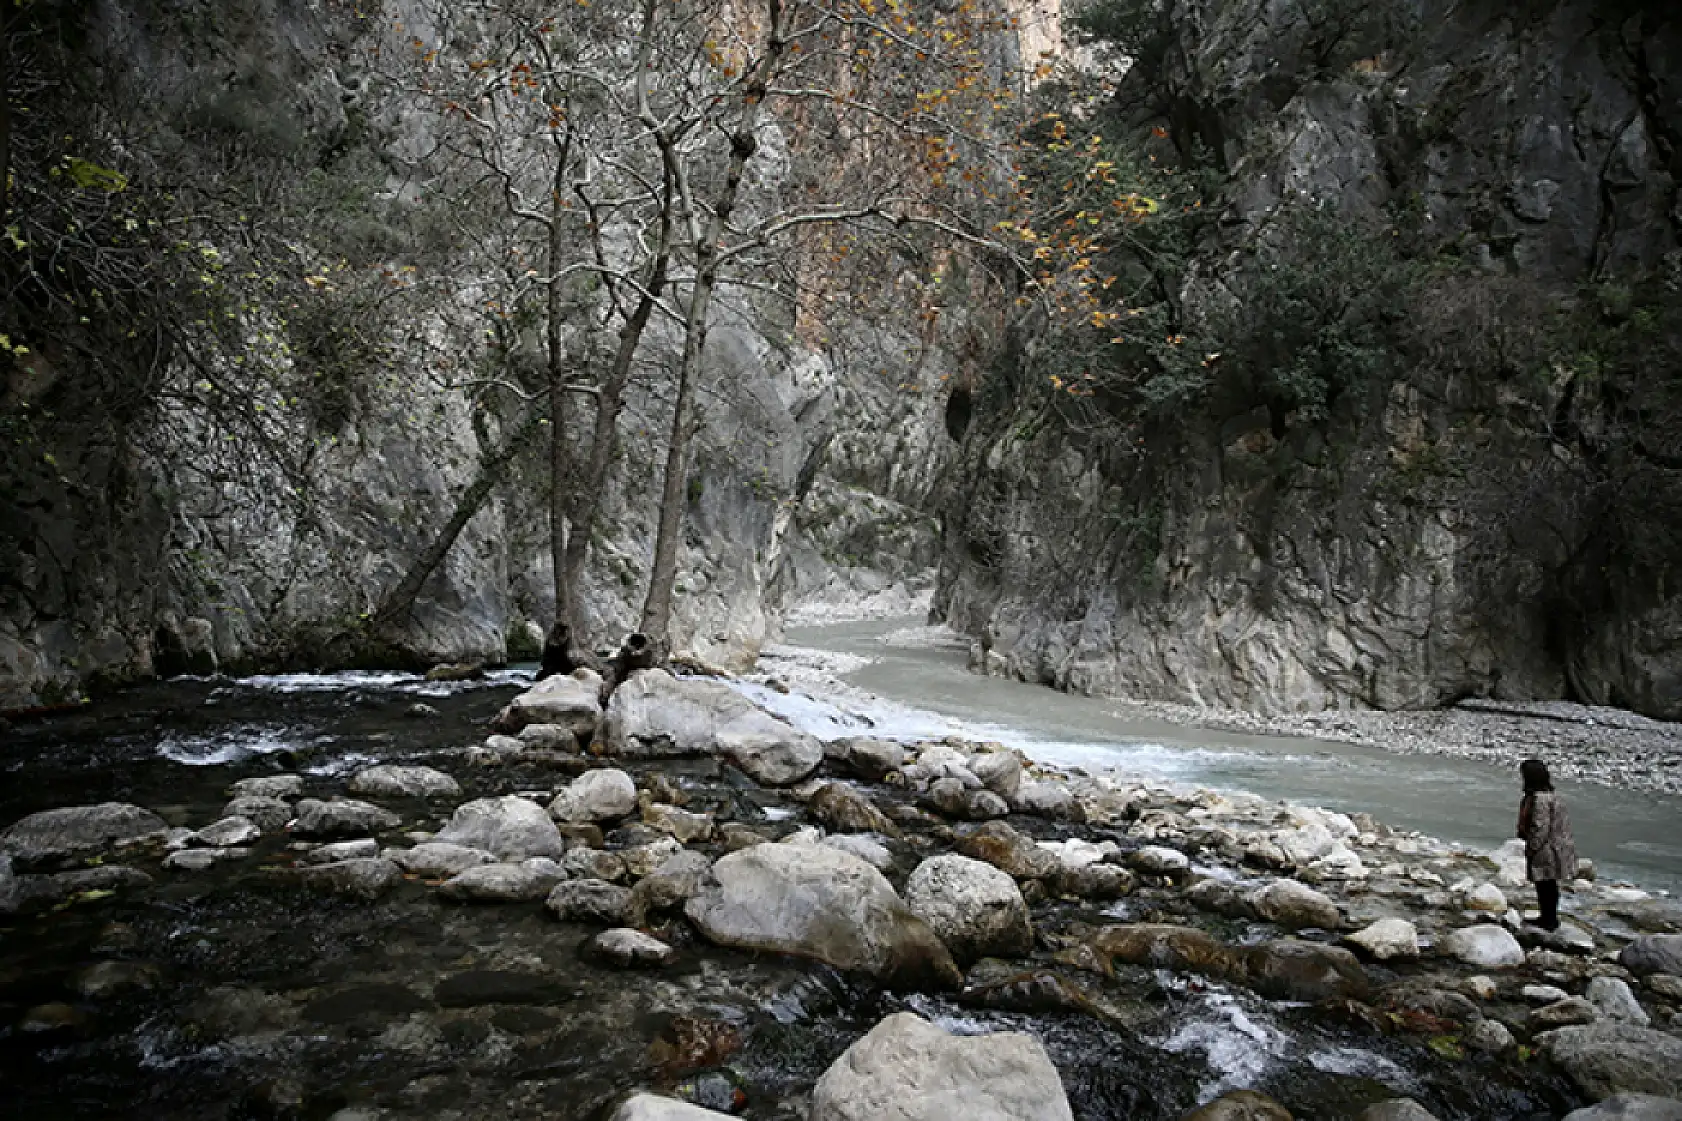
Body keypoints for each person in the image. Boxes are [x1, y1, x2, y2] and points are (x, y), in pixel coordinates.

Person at [1516, 758, 1576, 931]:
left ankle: (1548, 920)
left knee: (1545, 885)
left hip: (1547, 850)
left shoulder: (1539, 800)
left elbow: (1540, 827)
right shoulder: (1550, 796)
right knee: (1548, 885)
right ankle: (1548, 917)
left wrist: (1532, 848)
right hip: (1555, 848)